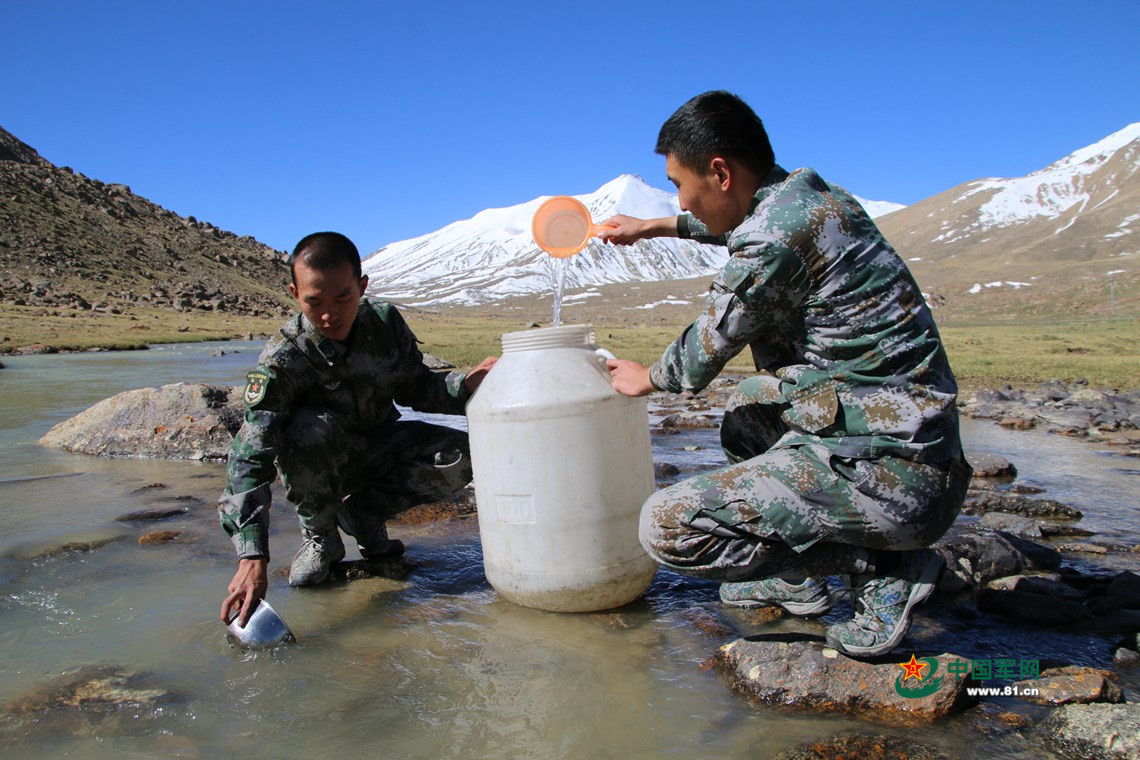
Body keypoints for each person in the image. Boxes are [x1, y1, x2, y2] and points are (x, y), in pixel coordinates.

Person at [600, 91, 971, 658]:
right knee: (747, 423)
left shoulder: (774, 237)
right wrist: (656, 226)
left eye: (678, 183)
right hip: (921, 454)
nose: (678, 195)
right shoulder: (813, 201)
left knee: (668, 529)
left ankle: (883, 567)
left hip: (899, 481)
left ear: (720, 172)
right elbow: (737, 224)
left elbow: (706, 348)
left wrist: (646, 377)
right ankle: (802, 577)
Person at [218, 231, 496, 626]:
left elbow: (416, 386)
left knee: (463, 455)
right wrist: (251, 556)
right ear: (295, 293)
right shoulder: (284, 358)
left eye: (343, 299)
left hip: (379, 445)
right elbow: (251, 456)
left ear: (362, 287)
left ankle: (363, 517)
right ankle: (321, 539)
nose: (329, 315)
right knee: (306, 428)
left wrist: (464, 384)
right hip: (320, 463)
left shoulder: (383, 324)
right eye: (314, 303)